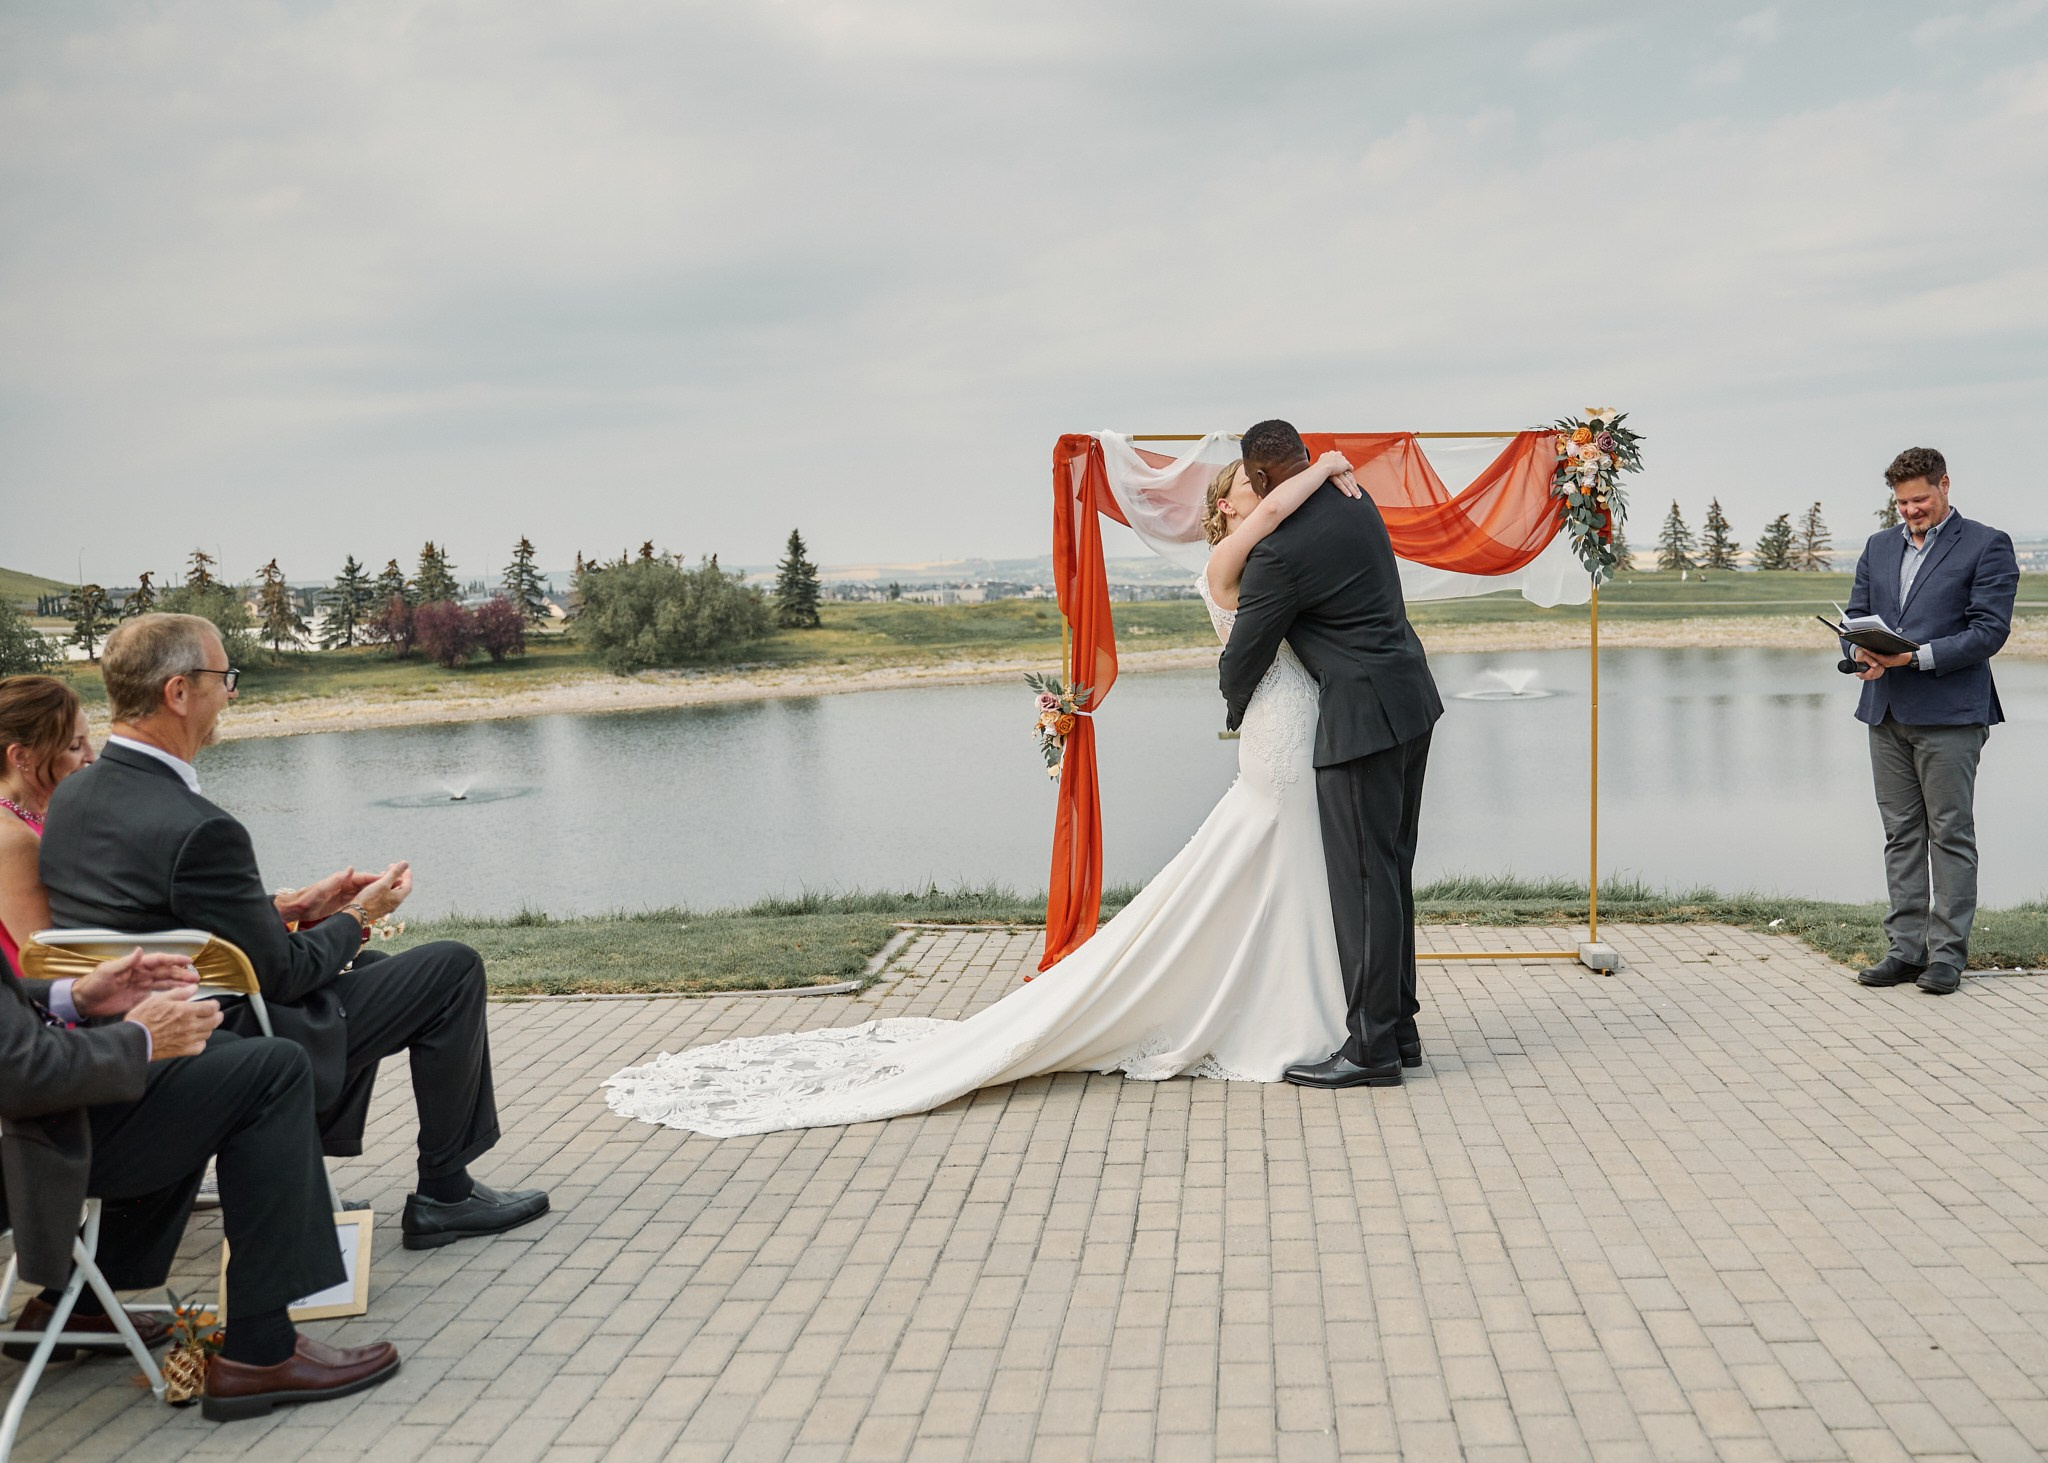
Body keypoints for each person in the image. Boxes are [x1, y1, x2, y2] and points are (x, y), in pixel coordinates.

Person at [602, 447, 1363, 1136]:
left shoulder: (1273, 560)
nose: (1255, 496)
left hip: (1291, 716)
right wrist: (1327, 462)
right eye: (1238, 491)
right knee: (1277, 849)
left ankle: (1288, 1007)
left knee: (1279, 863)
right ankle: (1288, 1020)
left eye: (1256, 484)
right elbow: (1270, 511)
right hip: (1278, 730)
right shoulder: (1228, 559)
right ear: (1221, 509)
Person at [38, 613, 548, 1248]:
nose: (232, 694)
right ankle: (444, 1192)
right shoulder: (199, 824)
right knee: (452, 968)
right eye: (225, 678)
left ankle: (338, 1169)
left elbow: (153, 910)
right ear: (178, 693)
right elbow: (281, 974)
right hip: (225, 1035)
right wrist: (359, 916)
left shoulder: (76, 799)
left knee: (384, 974)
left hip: (121, 1029)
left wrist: (287, 905)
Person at [0, 941, 401, 1421]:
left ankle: (81, 1299)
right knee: (275, 1069)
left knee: (215, 1055)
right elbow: (20, 1071)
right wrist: (136, 1040)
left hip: (26, 1122)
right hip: (25, 1147)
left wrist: (75, 997)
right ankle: (262, 1351)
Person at [1220, 419, 1443, 1089]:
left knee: (1364, 885)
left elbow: (1245, 655)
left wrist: (1233, 708)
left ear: (1260, 481)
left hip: (1362, 720)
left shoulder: (1277, 553)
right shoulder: (1354, 498)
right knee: (1392, 869)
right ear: (1307, 460)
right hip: (1411, 699)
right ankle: (1399, 1028)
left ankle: (1371, 1048)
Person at [1846, 447, 2019, 996]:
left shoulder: (1988, 544)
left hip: (1950, 715)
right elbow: (1854, 617)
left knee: (1950, 834)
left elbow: (1988, 631)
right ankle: (1905, 951)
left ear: (1944, 485)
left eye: (1919, 499)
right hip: (1886, 711)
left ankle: (1947, 957)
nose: (1910, 511)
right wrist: (1860, 657)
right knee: (1900, 834)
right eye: (1901, 502)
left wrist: (1914, 656)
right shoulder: (1877, 546)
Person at [0, 675, 96, 971]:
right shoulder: (11, 837)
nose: (91, 757)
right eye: (75, 746)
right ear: (21, 756)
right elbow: (47, 959)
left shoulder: (39, 815)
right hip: (50, 1006)